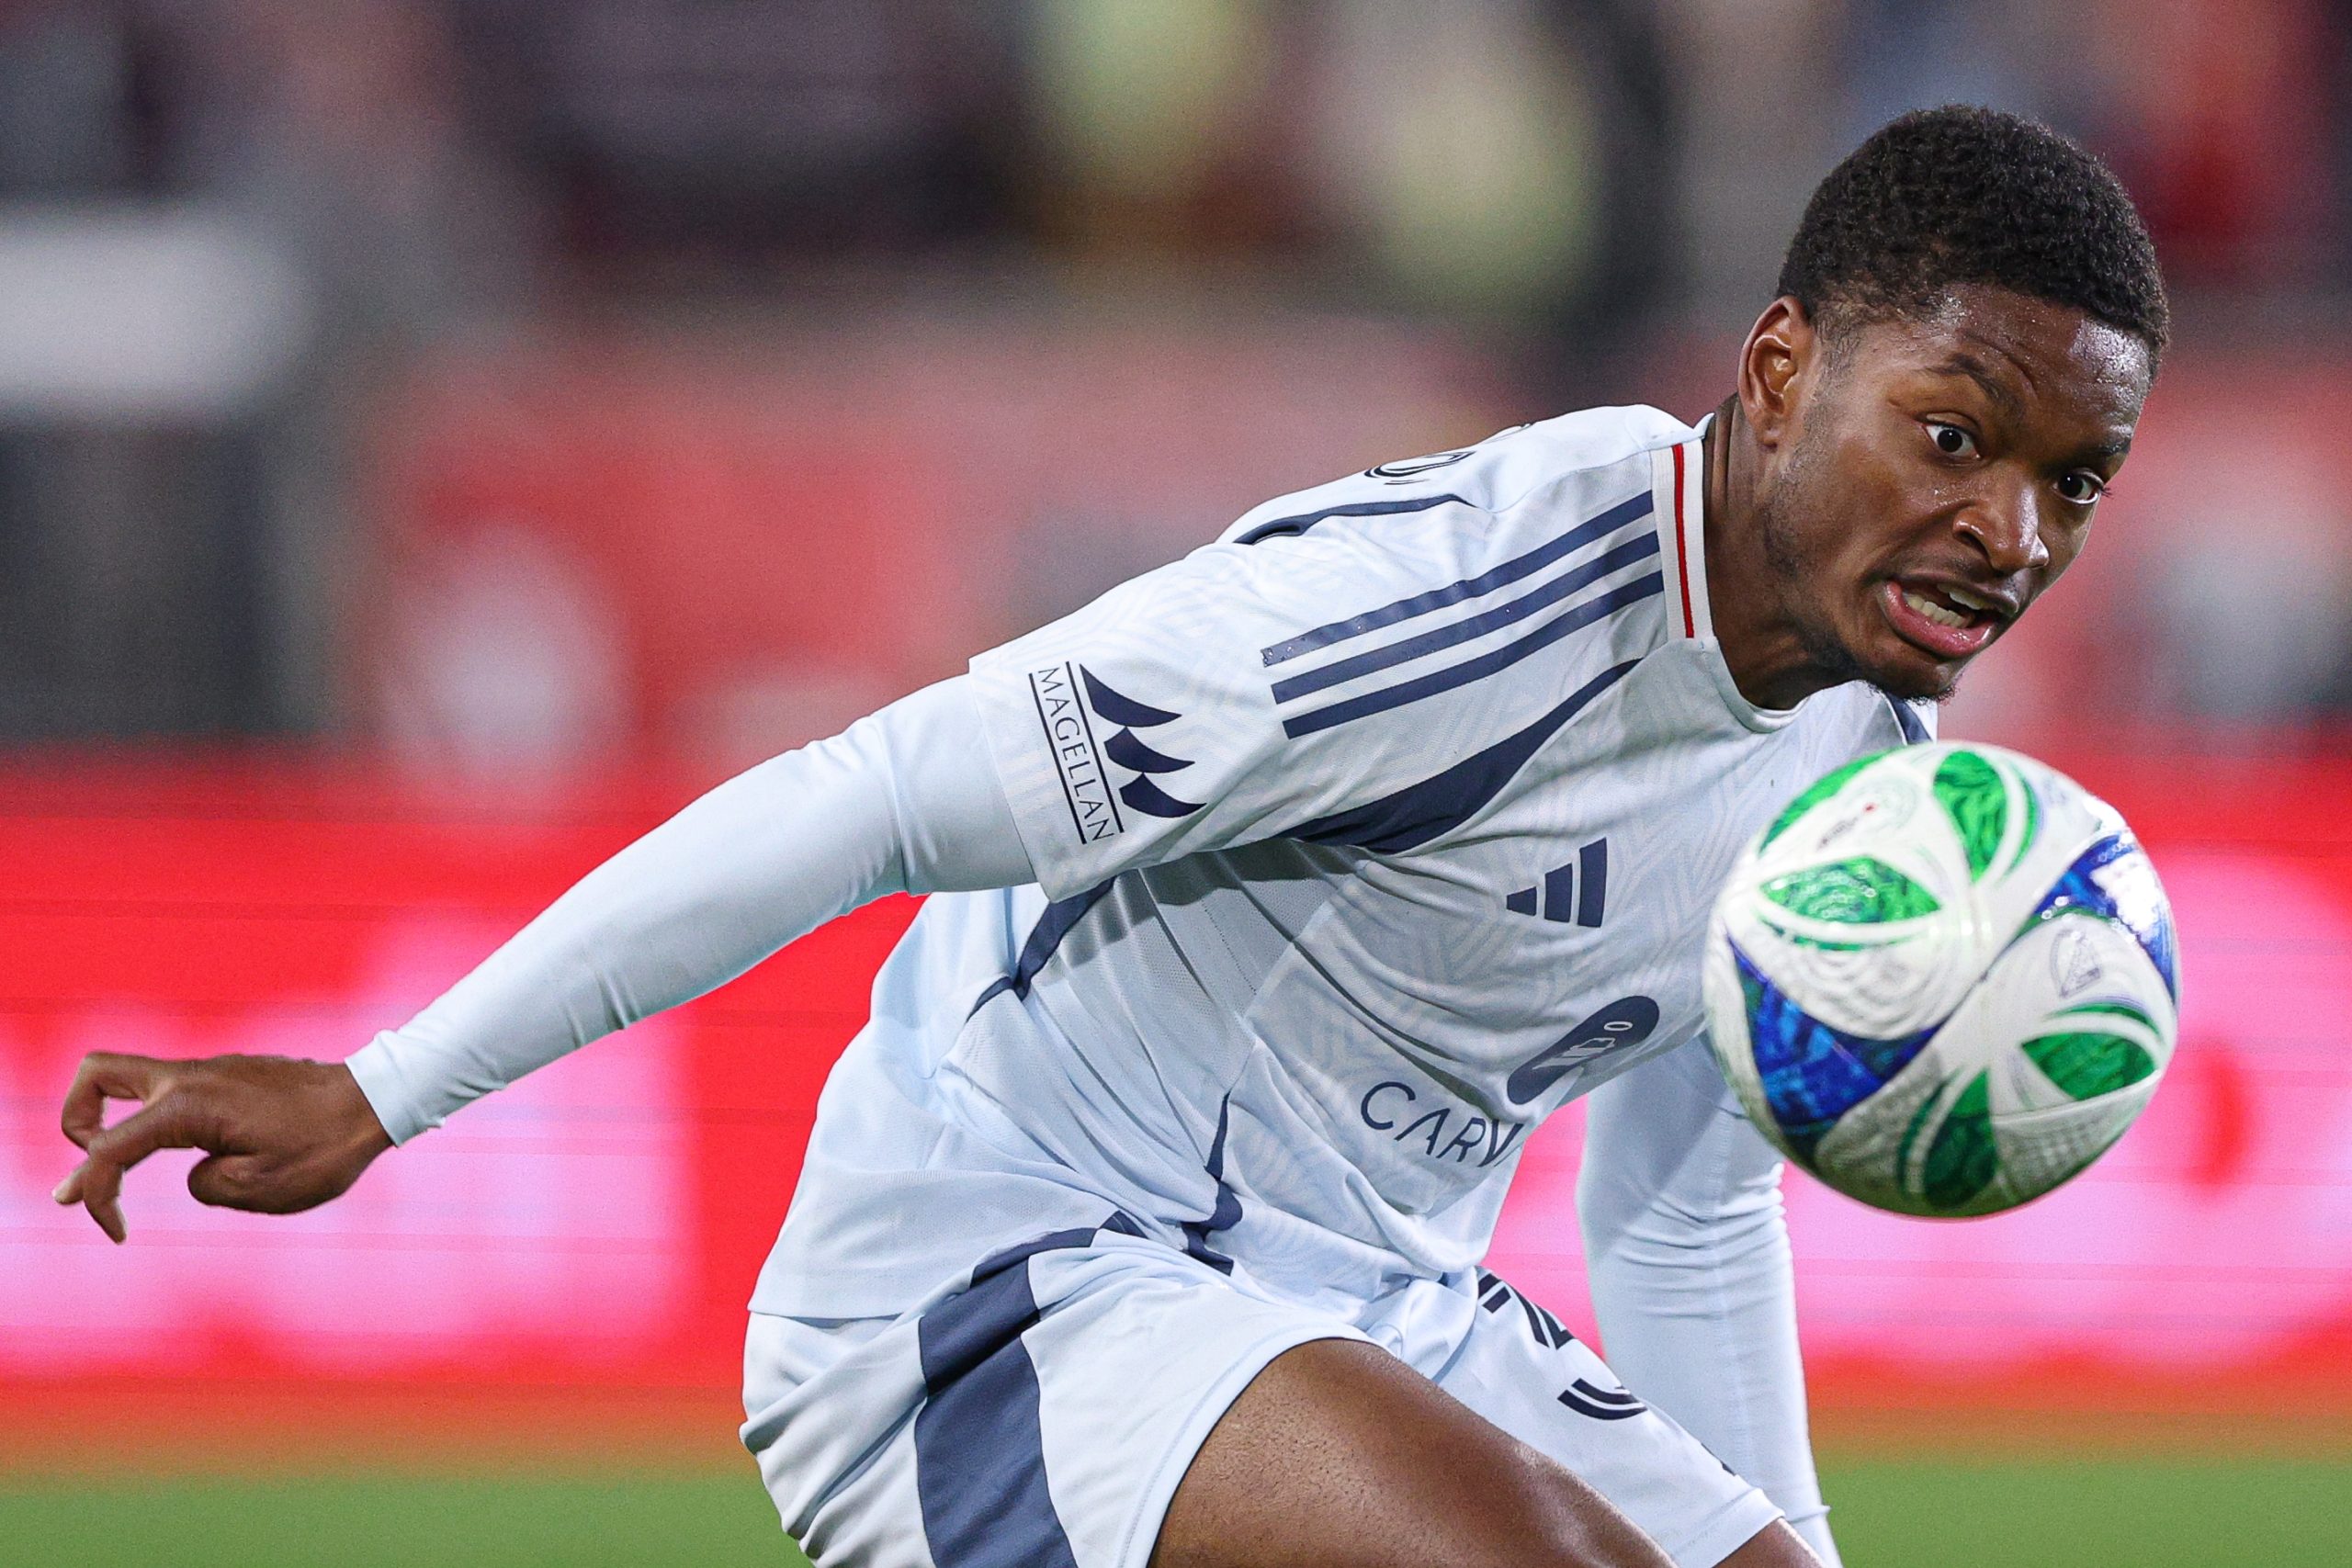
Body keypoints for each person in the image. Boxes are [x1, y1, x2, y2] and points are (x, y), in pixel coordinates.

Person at [51, 107, 2166, 1568]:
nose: (2007, 535)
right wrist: (384, 1086)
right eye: (1954, 436)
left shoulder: (1865, 771)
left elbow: (1683, 1213)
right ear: (1781, 368)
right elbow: (868, 796)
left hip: (1371, 1303)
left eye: (2072, 484)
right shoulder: (1417, 613)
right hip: (1006, 1282)